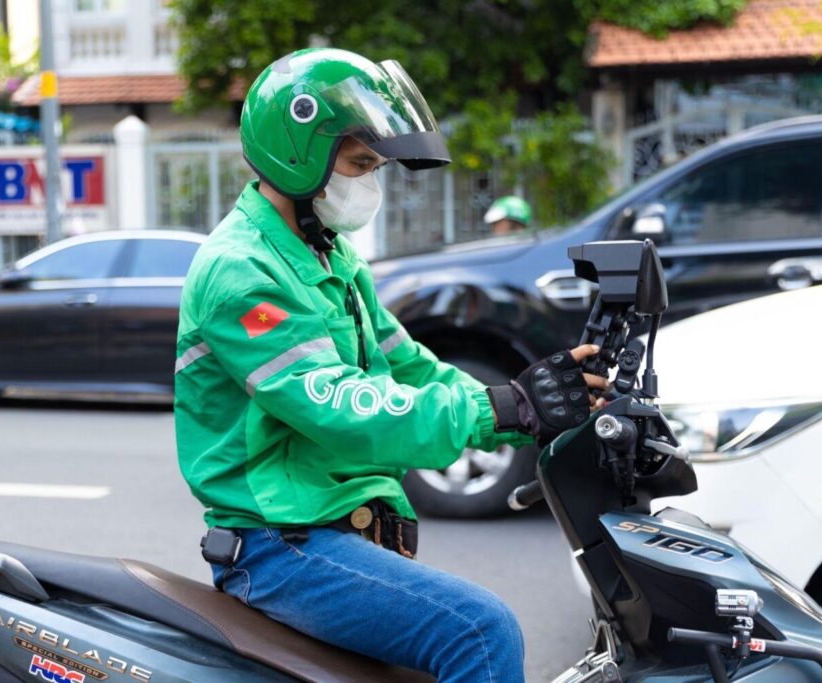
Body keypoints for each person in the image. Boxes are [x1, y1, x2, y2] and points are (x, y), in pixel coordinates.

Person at [173, 48, 607, 682]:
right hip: (280, 544)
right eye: (357, 164)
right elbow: (334, 402)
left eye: (373, 167)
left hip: (341, 529)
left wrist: (529, 408)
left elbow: (410, 368)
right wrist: (499, 408)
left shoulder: (330, 257)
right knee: (481, 634)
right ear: (298, 156)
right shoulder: (243, 271)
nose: (366, 185)